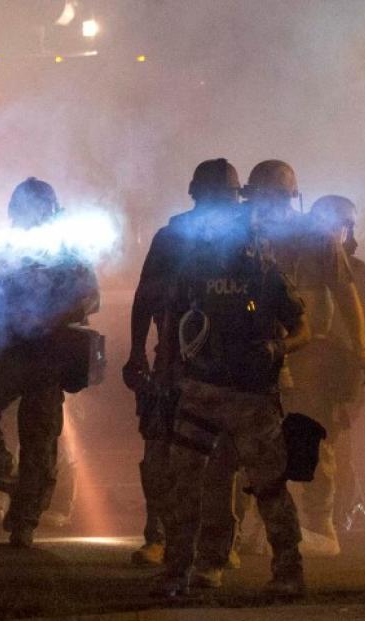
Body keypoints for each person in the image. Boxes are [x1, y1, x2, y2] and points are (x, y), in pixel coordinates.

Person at [155, 199, 310, 597]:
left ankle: (288, 572)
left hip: (250, 395)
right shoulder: (196, 273)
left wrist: (278, 350)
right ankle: (178, 571)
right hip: (203, 389)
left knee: (269, 486)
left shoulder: (267, 276)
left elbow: (302, 329)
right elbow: (173, 322)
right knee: (184, 483)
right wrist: (169, 371)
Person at [122, 159, 246, 582]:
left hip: (226, 367)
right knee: (160, 455)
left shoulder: (248, 242)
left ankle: (214, 548)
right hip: (174, 363)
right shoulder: (172, 239)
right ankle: (161, 537)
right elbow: (145, 298)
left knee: (221, 462)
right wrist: (138, 353)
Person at [244, 161, 365, 557]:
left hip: (310, 355)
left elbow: (345, 292)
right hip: (258, 354)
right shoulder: (243, 236)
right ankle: (257, 525)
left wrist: (361, 348)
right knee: (254, 440)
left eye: (273, 197)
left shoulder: (317, 238)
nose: (267, 205)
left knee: (313, 437)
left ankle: (319, 526)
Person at [0, 177, 100, 548]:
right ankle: (7, 479)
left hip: (47, 357)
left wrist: (49, 321)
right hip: (7, 351)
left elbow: (89, 296)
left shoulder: (67, 250)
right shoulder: (1, 249)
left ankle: (24, 520)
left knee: (40, 440)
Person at [309, 195, 365, 531]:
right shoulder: (299, 270)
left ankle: (338, 511)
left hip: (346, 376)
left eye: (335, 226)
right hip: (306, 370)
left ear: (348, 230)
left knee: (330, 435)